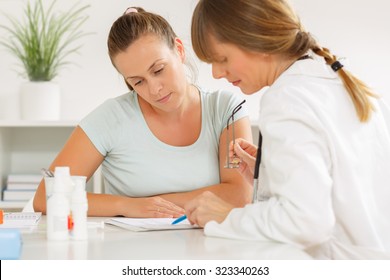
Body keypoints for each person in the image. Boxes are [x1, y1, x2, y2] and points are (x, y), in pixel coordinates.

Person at [185, 0, 390, 256]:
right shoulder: (340, 81)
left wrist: (228, 216)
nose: (216, 73)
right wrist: (269, 170)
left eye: (222, 58)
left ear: (258, 40)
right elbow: (349, 184)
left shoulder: (287, 98)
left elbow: (306, 221)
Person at [33, 7, 253, 217]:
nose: (154, 89)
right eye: (138, 82)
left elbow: (240, 194)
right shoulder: (111, 118)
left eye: (158, 70)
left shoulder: (226, 110)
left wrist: (155, 205)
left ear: (179, 49)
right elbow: (46, 196)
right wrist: (128, 206)